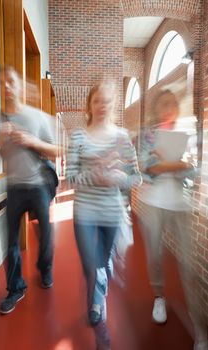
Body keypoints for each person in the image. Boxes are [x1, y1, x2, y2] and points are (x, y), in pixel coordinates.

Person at [66, 80, 142, 350]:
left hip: (111, 213)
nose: (102, 106)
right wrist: (94, 175)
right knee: (91, 265)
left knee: (102, 268)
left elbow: (137, 177)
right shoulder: (77, 136)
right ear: (90, 103)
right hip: (84, 211)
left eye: (108, 101)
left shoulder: (122, 137)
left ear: (114, 105)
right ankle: (100, 319)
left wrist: (119, 177)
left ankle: (96, 300)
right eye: (97, 100)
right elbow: (70, 178)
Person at [137, 89, 208, 350]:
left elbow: (195, 169)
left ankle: (201, 329)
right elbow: (146, 166)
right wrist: (176, 165)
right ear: (157, 108)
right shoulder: (149, 135)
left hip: (181, 203)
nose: (169, 108)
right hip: (153, 202)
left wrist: (170, 164)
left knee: (189, 266)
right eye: (164, 104)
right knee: (154, 256)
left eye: (173, 103)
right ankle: (159, 297)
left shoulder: (188, 134)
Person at [0, 66, 58, 314]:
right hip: (14, 187)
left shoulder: (38, 117)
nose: (6, 87)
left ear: (19, 84)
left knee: (45, 233)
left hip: (39, 185)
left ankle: (45, 268)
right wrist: (2, 142)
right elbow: (1, 155)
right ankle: (15, 288)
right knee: (10, 241)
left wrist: (31, 141)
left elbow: (55, 151)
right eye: (1, 83)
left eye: (10, 81)